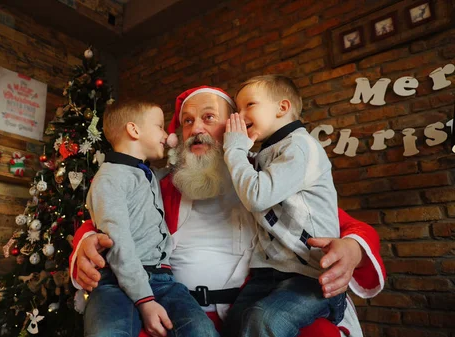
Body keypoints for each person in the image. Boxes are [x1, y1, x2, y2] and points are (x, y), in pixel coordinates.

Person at [71, 86, 386, 337]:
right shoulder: (161, 185)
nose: (197, 129)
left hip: (254, 313)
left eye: (209, 117)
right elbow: (110, 214)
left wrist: (353, 248)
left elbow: (342, 225)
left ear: (234, 126)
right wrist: (85, 240)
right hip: (178, 314)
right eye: (188, 121)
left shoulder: (266, 178)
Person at [222, 75, 345, 337]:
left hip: (312, 275)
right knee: (233, 324)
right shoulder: (268, 151)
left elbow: (256, 195)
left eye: (249, 105)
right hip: (268, 274)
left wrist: (234, 150)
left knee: (264, 320)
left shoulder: (299, 146)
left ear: (282, 107)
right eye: (237, 110)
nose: (240, 116)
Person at [83, 100, 218, 337]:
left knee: (201, 330)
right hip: (116, 279)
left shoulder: (147, 174)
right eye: (160, 127)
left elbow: (179, 171)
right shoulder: (110, 178)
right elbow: (119, 242)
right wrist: (145, 300)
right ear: (134, 130)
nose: (166, 136)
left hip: (162, 278)